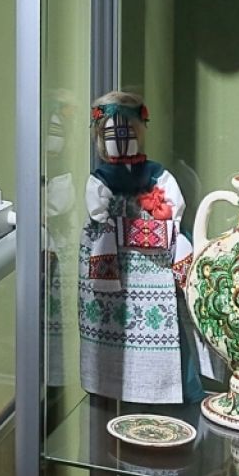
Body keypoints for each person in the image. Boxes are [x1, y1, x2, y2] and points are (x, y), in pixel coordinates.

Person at [77, 92, 203, 403]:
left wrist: (167, 223)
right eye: (112, 135)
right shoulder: (101, 178)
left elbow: (174, 206)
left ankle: (165, 389)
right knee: (109, 323)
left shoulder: (157, 174)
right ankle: (109, 389)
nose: (121, 141)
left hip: (155, 261)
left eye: (127, 134)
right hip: (114, 259)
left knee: (168, 321)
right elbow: (97, 211)